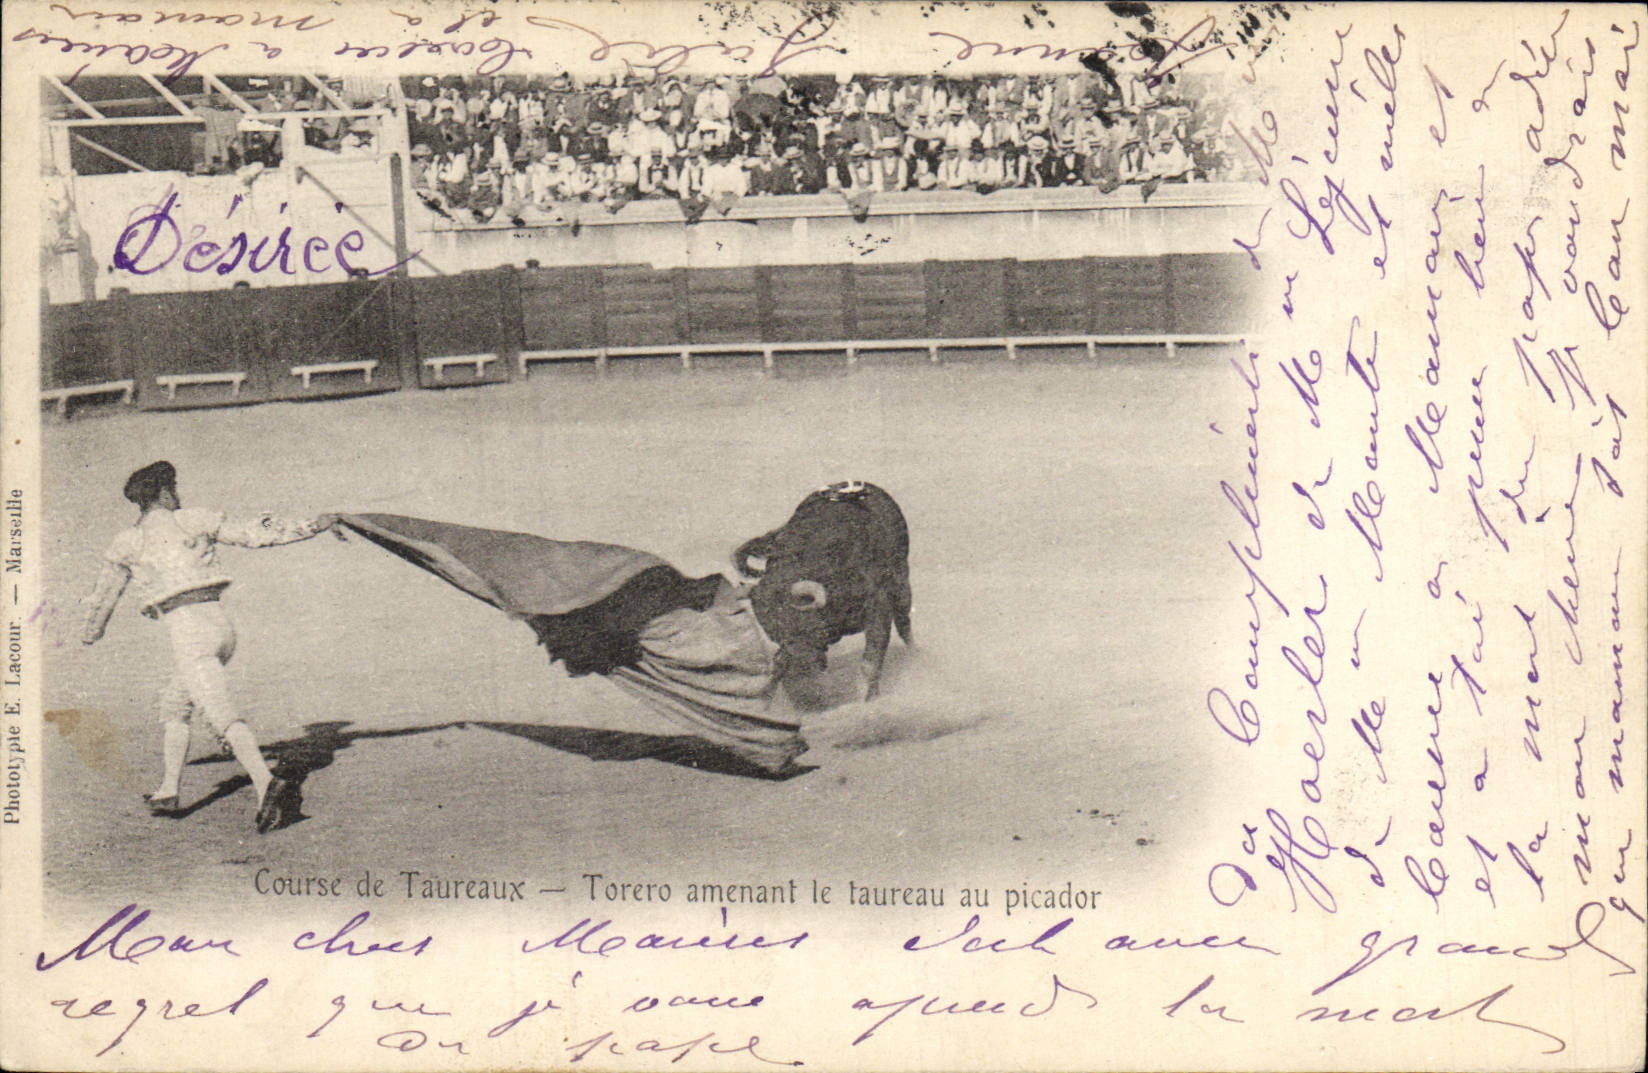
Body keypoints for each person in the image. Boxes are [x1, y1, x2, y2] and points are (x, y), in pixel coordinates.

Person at [79, 462, 340, 834]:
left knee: (219, 713)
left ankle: (267, 784)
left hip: (187, 632)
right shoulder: (194, 520)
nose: (177, 493)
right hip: (220, 627)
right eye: (173, 488)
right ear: (165, 494)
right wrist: (312, 525)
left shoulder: (128, 542)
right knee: (176, 702)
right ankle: (168, 790)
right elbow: (255, 534)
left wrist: (90, 633)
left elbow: (103, 597)